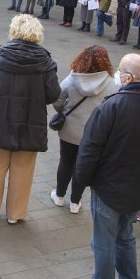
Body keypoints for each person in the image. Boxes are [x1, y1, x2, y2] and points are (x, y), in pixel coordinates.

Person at [75, 54, 140, 279]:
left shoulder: (110, 107)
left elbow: (88, 151)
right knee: (125, 237)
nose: (117, 77)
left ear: (128, 78)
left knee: (103, 243)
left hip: (107, 190)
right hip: (139, 189)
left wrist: (81, 184)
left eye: (120, 72)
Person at [0, 14, 60, 224]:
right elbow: (53, 95)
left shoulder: (0, 57)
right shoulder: (46, 62)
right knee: (22, 171)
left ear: (14, 30)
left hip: (0, 118)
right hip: (30, 121)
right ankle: (15, 214)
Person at [50, 45, 118, 214]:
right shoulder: (112, 84)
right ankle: (75, 202)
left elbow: (57, 99)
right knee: (82, 166)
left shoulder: (73, 78)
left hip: (69, 129)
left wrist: (64, 111)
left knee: (65, 161)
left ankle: (59, 196)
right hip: (94, 133)